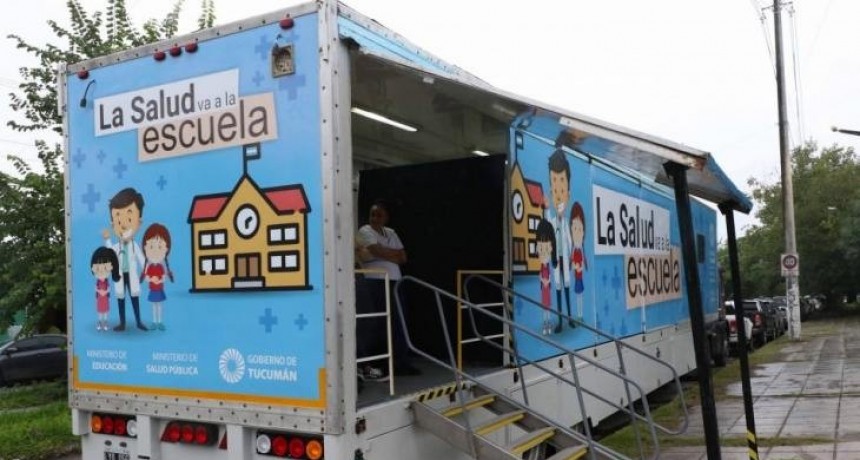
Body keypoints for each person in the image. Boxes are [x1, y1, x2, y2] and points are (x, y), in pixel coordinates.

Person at [357, 200, 421, 378]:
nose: (375, 218)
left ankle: (400, 363)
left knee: (398, 323)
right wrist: (387, 253)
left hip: (395, 282)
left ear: (386, 217)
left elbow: (403, 257)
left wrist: (379, 253)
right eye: (372, 214)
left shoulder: (391, 232)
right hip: (374, 282)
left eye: (379, 215)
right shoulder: (365, 231)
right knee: (376, 324)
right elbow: (376, 250)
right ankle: (374, 364)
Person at [103, 187, 147, 331]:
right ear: (113, 225)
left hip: (131, 275)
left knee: (134, 298)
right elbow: (110, 253)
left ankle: (138, 321)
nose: (124, 225)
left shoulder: (135, 246)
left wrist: (146, 273)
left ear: (139, 223)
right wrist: (107, 239)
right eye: (118, 221)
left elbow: (142, 260)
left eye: (129, 219)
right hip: (120, 275)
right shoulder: (117, 247)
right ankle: (122, 323)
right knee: (120, 298)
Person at [547, 148, 574, 331]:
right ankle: (560, 320)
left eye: (562, 190)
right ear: (551, 192)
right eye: (555, 190)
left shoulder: (565, 223)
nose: (558, 195)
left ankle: (569, 317)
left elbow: (570, 242)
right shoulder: (551, 222)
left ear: (568, 194)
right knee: (557, 287)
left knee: (566, 287)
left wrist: (570, 257)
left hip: (565, 259)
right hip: (556, 260)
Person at [141, 223, 174, 331]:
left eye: (160, 247)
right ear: (145, 248)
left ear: (166, 249)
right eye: (151, 247)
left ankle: (159, 322)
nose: (155, 251)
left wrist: (159, 280)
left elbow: (163, 277)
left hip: (159, 290)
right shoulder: (150, 267)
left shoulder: (160, 267)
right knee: (154, 306)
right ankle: (154, 322)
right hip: (153, 290)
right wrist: (151, 279)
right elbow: (146, 277)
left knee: (159, 306)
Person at [91, 247, 120, 331]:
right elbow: (96, 289)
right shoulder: (97, 282)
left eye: (105, 268)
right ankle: (100, 323)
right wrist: (100, 291)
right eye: (98, 269)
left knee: (105, 312)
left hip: (105, 299)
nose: (102, 272)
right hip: (100, 299)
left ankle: (105, 323)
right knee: (100, 312)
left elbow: (109, 289)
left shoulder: (107, 282)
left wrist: (105, 292)